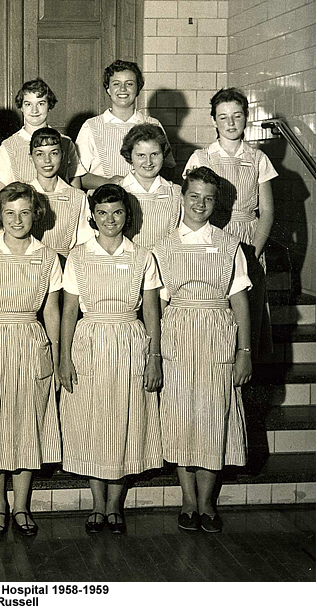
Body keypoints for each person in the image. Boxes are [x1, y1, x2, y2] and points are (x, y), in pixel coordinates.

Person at [59, 183, 163, 534]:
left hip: (130, 343)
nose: (110, 219)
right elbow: (69, 310)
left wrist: (154, 356)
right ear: (92, 217)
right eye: (102, 213)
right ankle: (96, 504)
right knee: (92, 420)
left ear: (127, 216)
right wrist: (63, 357)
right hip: (88, 342)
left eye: (117, 212)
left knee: (125, 419)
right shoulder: (78, 256)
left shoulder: (143, 256)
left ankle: (114, 505)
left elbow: (151, 311)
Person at [154, 166, 252, 534]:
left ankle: (208, 502)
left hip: (218, 335)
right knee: (181, 414)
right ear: (182, 197)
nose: (200, 204)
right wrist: (156, 352)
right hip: (177, 333)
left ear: (217, 203)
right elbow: (157, 305)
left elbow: (239, 299)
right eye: (194, 196)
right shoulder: (163, 245)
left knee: (214, 414)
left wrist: (244, 351)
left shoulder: (229, 246)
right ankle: (188, 500)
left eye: (209, 198)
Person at [0, 182, 62, 538]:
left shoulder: (47, 256)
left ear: (35, 215)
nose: (17, 220)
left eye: (24, 212)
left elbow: (51, 310)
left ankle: (21, 506)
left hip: (31, 342)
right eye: (9, 212)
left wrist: (55, 351)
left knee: (27, 424)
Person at [184, 87, 277, 354]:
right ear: (213, 120)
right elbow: (191, 207)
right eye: (223, 117)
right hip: (211, 238)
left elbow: (267, 212)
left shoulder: (259, 158)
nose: (231, 123)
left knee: (248, 317)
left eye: (237, 116)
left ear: (246, 117)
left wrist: (253, 252)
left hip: (249, 240)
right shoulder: (201, 158)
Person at [75, 60, 174, 190]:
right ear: (108, 89)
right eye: (116, 84)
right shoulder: (91, 126)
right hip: (105, 200)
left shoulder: (153, 124)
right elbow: (79, 176)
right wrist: (108, 182)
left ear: (138, 88)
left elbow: (168, 168)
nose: (123, 89)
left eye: (129, 84)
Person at [0, 78, 83, 199]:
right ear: (21, 107)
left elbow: (75, 187)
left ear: (49, 105)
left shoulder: (65, 142)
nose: (34, 110)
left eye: (41, 103)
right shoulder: (9, 145)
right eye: (28, 104)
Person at [28, 128, 94, 261]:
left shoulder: (78, 197)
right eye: (40, 154)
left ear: (63, 156)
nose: (47, 160)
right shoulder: (23, 195)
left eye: (54, 153)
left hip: (67, 268)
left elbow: (85, 242)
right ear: (31, 158)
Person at [119, 123, 182, 249]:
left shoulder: (176, 193)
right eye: (141, 155)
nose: (148, 162)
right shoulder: (118, 192)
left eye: (154, 154)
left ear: (163, 154)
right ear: (129, 156)